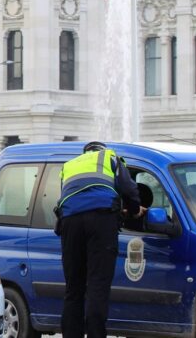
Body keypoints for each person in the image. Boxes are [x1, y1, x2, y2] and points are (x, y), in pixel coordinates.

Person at [55, 141, 145, 338]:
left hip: (70, 222)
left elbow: (69, 197)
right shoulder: (110, 157)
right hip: (101, 220)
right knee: (98, 284)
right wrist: (135, 210)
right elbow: (129, 189)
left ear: (85, 152)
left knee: (74, 289)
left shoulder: (69, 165)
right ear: (101, 150)